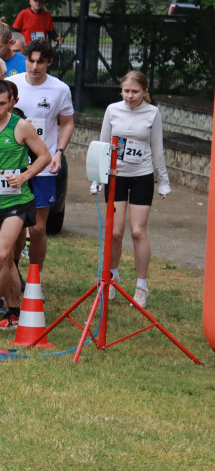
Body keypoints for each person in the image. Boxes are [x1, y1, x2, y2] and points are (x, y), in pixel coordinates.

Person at [0, 80, 51, 333]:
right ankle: (14, 313)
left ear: (12, 102)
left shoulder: (20, 126)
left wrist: (25, 175)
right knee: (5, 260)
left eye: (1, 103)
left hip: (17, 202)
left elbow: (45, 156)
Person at [100, 71, 170, 308]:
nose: (130, 96)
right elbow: (103, 144)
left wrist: (164, 180)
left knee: (138, 231)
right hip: (115, 176)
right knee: (116, 232)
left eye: (135, 92)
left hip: (141, 175)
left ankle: (141, 286)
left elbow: (157, 148)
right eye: (126, 91)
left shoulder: (153, 113)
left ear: (145, 92)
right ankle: (111, 278)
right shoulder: (112, 110)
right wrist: (97, 178)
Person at [12, 38, 73, 269]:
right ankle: (13, 272)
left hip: (43, 166)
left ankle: (35, 281)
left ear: (50, 62)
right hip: (13, 162)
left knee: (37, 227)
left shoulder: (59, 89)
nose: (34, 66)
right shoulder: (11, 83)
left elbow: (67, 123)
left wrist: (59, 152)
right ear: (25, 59)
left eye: (40, 62)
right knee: (15, 224)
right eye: (30, 60)